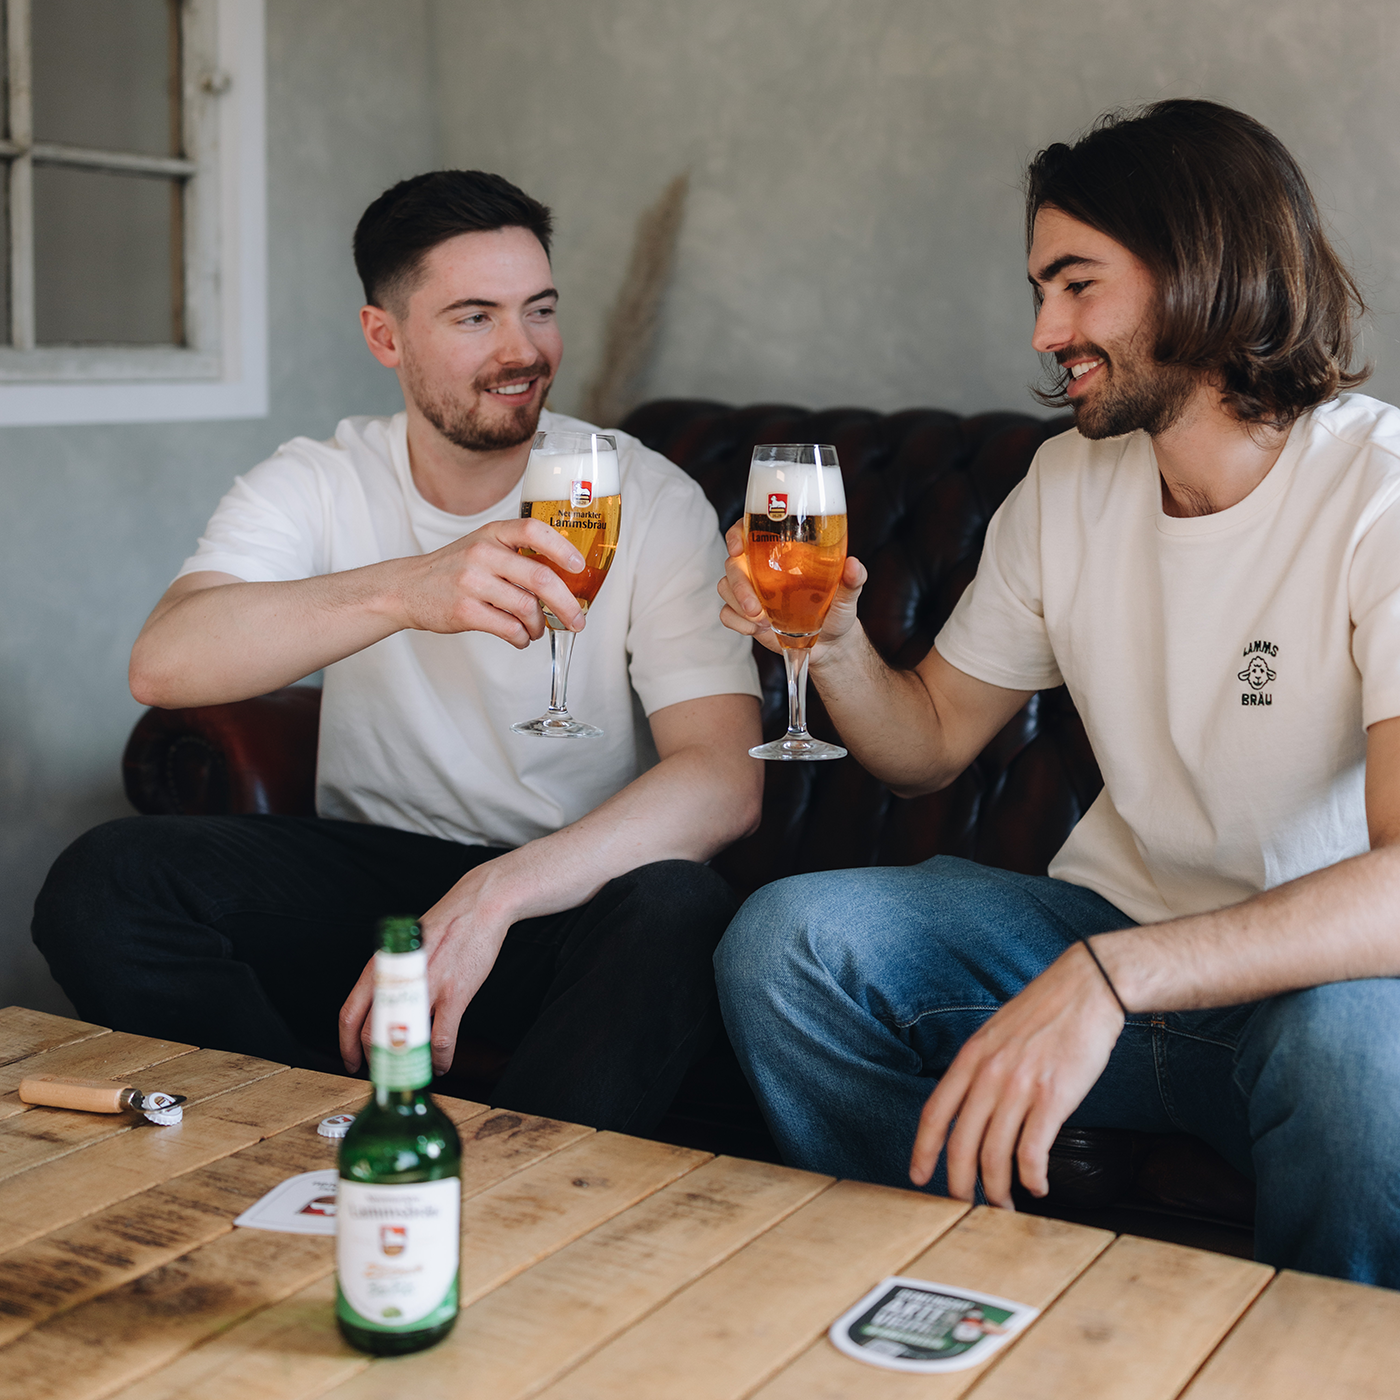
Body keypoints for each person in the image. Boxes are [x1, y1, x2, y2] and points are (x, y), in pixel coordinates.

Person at [715, 100, 1400, 1286]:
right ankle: (935, 1291)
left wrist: (1107, 977)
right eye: (1039, 288)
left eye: (1076, 284)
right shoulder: (1066, 484)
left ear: (1201, 268)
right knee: (788, 939)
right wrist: (828, 643)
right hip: (1106, 936)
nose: (1044, 328)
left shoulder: (1377, 500)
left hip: (1309, 990)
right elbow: (925, 744)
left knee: (1355, 1049)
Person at [33, 170, 763, 1135]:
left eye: (539, 310)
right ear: (385, 336)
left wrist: (498, 890)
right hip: (368, 886)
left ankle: (515, 1201)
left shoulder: (644, 495)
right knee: (105, 878)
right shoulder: (321, 481)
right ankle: (300, 1143)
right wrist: (403, 589)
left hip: (560, 896)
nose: (523, 351)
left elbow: (723, 778)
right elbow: (164, 663)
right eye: (475, 317)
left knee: (680, 906)